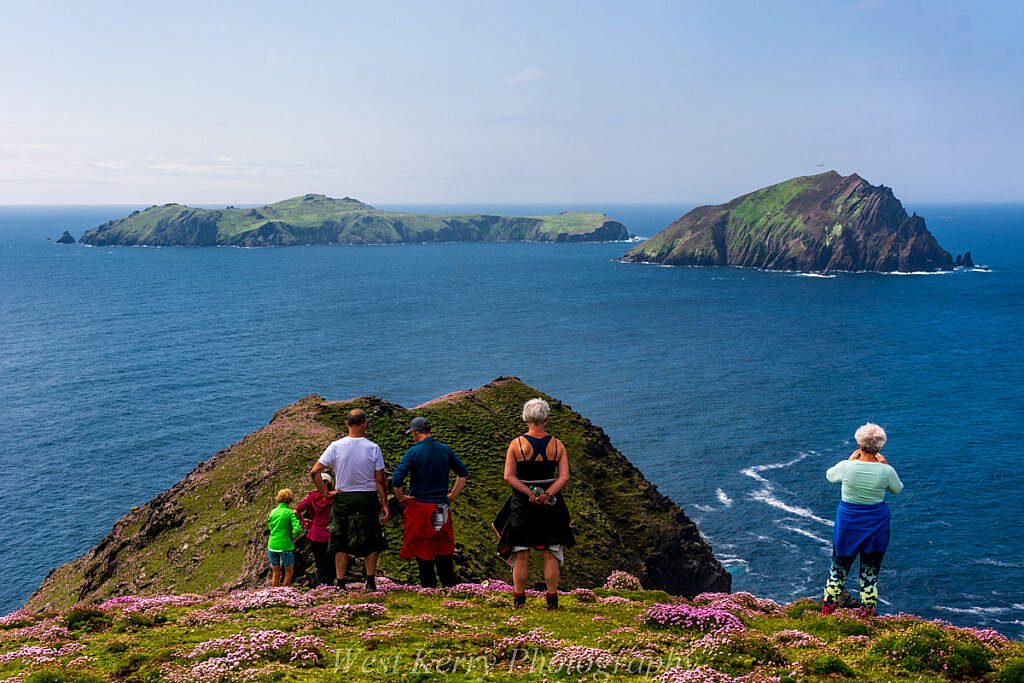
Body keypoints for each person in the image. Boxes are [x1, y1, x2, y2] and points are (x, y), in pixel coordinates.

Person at [495, 398, 574, 609]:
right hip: (550, 504)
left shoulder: (516, 445)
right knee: (551, 553)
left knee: (521, 554)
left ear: (526, 418)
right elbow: (564, 477)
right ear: (546, 418)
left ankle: (519, 600)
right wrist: (547, 494)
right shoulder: (557, 445)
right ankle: (552, 601)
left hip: (522, 503)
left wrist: (529, 492)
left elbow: (508, 477)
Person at [821, 422, 904, 616]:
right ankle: (868, 618)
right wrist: (884, 465)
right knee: (869, 576)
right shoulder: (886, 470)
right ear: (880, 446)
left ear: (859, 444)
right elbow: (897, 489)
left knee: (837, 572)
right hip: (877, 525)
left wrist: (849, 461)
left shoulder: (846, 467)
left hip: (848, 524)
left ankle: (826, 614)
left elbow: (830, 476)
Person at [310, 409, 389, 591]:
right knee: (371, 538)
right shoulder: (373, 448)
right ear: (365, 424)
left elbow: (314, 472)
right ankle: (370, 581)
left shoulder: (335, 446)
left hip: (343, 497)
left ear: (347, 424)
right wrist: (384, 504)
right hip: (367, 497)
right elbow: (380, 480)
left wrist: (325, 493)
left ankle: (341, 582)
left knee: (340, 540)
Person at [391, 416, 468, 588]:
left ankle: (429, 588)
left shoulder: (413, 452)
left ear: (416, 433)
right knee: (442, 548)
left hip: (420, 507)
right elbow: (463, 473)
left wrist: (401, 497)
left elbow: (396, 480)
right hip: (441, 507)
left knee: (423, 550)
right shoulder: (444, 450)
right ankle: (449, 587)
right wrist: (453, 494)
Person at [295, 472, 336, 586]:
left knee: (319, 559)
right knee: (331, 559)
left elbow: (296, 510)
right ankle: (332, 581)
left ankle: (323, 583)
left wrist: (303, 520)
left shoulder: (312, 497)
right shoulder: (334, 497)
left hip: (315, 533)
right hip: (331, 533)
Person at [267, 488, 303, 587]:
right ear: (289, 499)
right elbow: (297, 528)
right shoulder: (289, 513)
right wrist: (293, 536)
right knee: (288, 571)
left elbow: (270, 525)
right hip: (285, 545)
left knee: (276, 573)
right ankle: (284, 593)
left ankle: (275, 595)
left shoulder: (273, 512)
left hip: (272, 545)